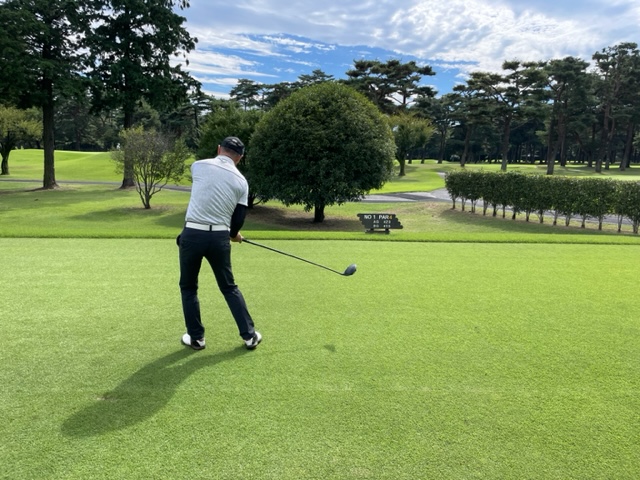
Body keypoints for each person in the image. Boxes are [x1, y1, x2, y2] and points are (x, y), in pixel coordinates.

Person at [177, 136, 261, 351]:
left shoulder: (198, 166)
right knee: (229, 287)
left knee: (188, 287)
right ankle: (249, 336)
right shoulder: (242, 181)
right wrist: (234, 235)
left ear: (218, 149)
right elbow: (238, 218)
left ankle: (196, 338)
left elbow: (205, 193)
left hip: (192, 234)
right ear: (239, 158)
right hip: (219, 239)